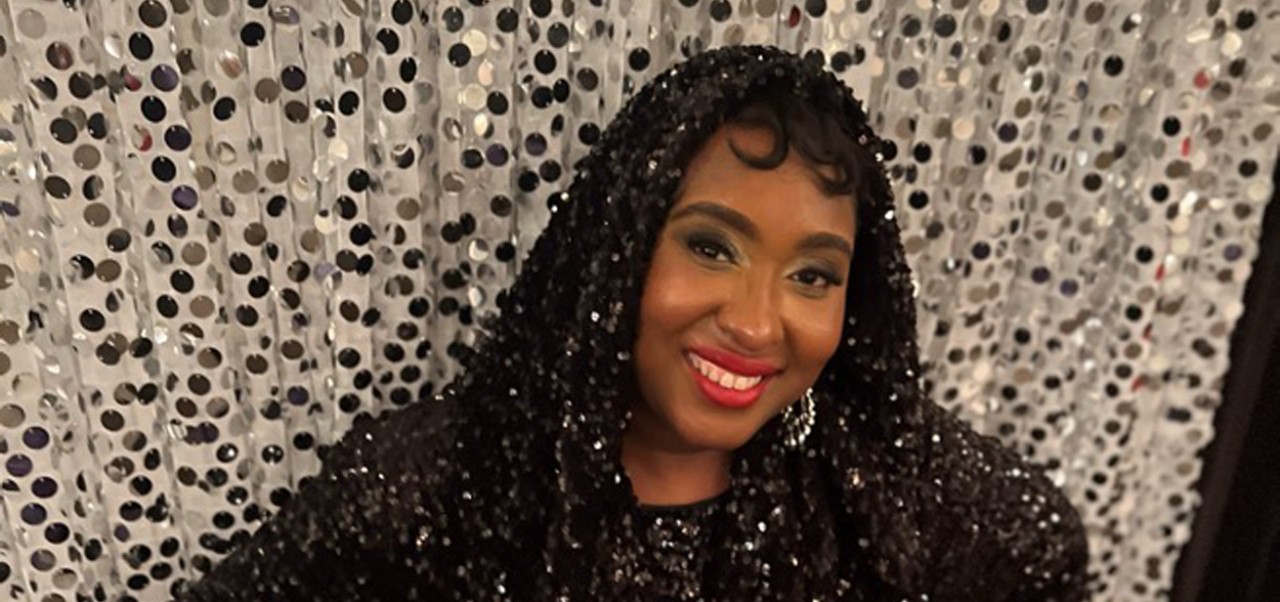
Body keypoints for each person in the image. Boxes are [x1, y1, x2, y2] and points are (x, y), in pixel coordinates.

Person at [178, 45, 1089, 601]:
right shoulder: (446, 484)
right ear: (617, 248)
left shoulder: (874, 483)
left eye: (813, 275)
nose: (759, 323)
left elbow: (1045, 549)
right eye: (712, 248)